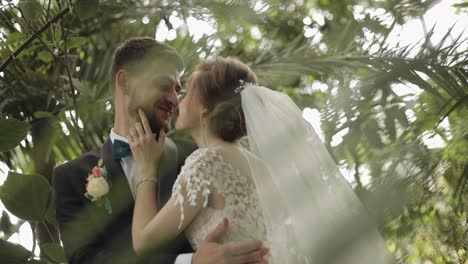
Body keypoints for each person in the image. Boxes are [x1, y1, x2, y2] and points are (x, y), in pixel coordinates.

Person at [129, 57, 397, 263]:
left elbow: (143, 241)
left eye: (187, 92)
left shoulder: (206, 163)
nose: (179, 101)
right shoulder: (262, 167)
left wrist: (146, 166)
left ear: (206, 107)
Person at [52, 37, 269, 264]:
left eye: (178, 89)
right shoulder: (71, 177)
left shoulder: (199, 158)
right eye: (163, 84)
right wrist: (189, 262)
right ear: (124, 82)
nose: (175, 100)